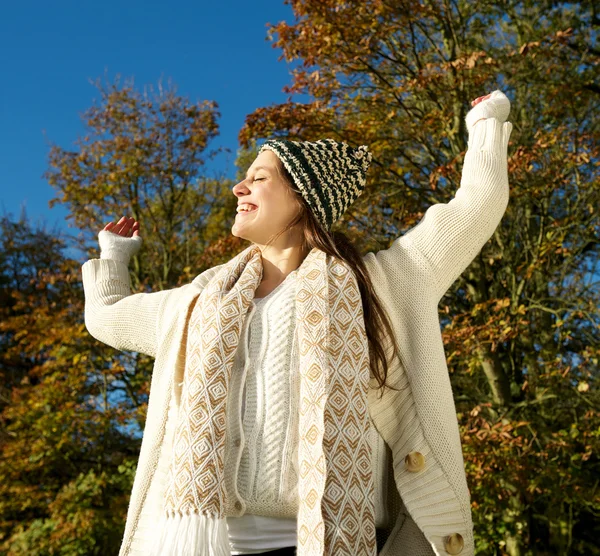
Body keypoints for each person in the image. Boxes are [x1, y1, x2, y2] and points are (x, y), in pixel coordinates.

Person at [82, 90, 513, 556]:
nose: (237, 188)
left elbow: (476, 206)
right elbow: (107, 317)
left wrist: (485, 121)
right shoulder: (200, 303)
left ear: (302, 196)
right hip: (203, 546)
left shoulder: (383, 283)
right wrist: (114, 257)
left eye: (258, 177)